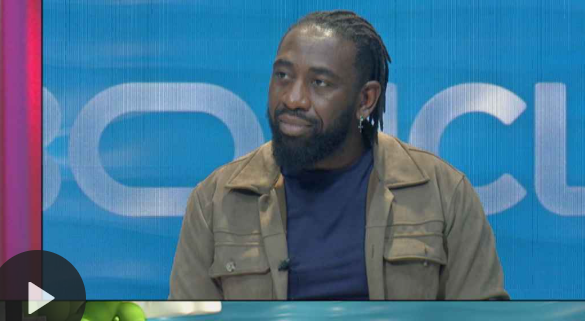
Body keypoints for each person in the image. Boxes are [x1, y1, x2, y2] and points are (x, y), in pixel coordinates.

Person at [170, 10, 507, 301]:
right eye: (283, 76)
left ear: (365, 100)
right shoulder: (215, 200)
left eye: (319, 83)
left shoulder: (443, 192)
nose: (293, 99)